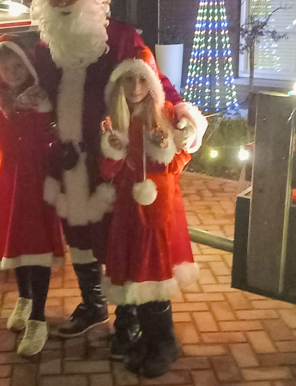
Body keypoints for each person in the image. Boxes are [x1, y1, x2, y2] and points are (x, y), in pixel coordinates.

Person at [30, 0, 207, 357]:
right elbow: (39, 91)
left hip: (113, 156)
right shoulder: (45, 46)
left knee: (117, 239)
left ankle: (129, 317)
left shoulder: (122, 37)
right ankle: (93, 305)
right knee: (78, 234)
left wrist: (181, 116)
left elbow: (153, 81)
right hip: (68, 158)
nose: (62, 2)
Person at [0, 35, 65, 357]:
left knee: (38, 246)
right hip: (8, 180)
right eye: (7, 68)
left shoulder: (41, 100)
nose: (14, 72)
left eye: (19, 65)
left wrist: (45, 111)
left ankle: (38, 318)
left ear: (28, 65)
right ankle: (24, 297)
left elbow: (51, 137)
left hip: (37, 180)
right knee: (17, 243)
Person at [99, 54, 198, 377]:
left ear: (153, 82)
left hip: (157, 208)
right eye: (129, 79)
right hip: (128, 208)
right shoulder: (116, 117)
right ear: (119, 83)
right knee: (135, 274)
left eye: (142, 79)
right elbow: (108, 170)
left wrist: (163, 146)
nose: (136, 87)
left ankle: (165, 343)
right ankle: (148, 337)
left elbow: (176, 164)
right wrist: (113, 148)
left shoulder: (166, 114)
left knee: (153, 274)